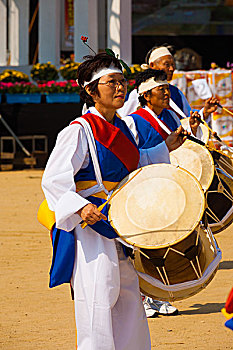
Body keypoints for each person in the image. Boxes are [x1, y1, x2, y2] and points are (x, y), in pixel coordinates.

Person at [41, 52, 187, 350]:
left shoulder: (124, 127)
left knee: (129, 297)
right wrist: (81, 206)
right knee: (98, 297)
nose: (120, 88)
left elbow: (134, 165)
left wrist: (165, 148)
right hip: (92, 228)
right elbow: (54, 180)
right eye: (112, 82)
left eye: (123, 82)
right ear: (91, 90)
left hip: (122, 222)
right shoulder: (78, 131)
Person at [123, 68, 204, 318]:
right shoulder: (133, 121)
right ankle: (143, 296)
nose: (167, 93)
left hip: (167, 187)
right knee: (144, 243)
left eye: (167, 88)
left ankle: (157, 295)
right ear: (146, 95)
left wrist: (190, 128)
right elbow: (130, 157)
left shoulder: (169, 117)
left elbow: (185, 147)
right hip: (144, 189)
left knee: (163, 242)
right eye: (161, 89)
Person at [117, 44, 218, 121]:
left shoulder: (175, 92)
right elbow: (125, 121)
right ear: (152, 65)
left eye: (173, 64)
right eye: (166, 64)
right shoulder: (140, 93)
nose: (171, 68)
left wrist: (205, 112)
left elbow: (187, 118)